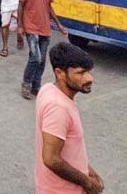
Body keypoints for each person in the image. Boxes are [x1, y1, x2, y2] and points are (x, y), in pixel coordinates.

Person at [35, 42, 102, 194]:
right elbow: (51, 159)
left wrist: (89, 171)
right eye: (81, 73)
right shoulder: (58, 108)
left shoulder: (48, 89)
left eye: (89, 71)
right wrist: (89, 183)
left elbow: (69, 150)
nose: (89, 78)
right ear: (60, 73)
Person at [19, 0, 68, 99]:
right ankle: (26, 84)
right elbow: (21, 7)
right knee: (36, 57)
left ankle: (36, 86)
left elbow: (49, 8)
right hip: (31, 28)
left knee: (42, 60)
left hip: (45, 28)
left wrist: (59, 25)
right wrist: (20, 26)